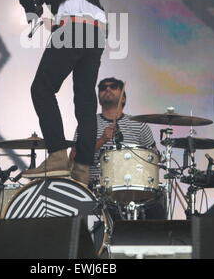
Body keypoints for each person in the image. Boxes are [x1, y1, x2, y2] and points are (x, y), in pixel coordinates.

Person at [18, 0, 106, 186]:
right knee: (86, 102)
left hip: (74, 26)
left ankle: (57, 158)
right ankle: (83, 169)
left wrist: (31, 11)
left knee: (42, 89)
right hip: (98, 31)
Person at [70, 77, 166, 219]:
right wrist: (102, 140)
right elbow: (73, 158)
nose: (107, 89)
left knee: (157, 209)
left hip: (136, 189)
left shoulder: (139, 125)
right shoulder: (87, 124)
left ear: (123, 99)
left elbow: (154, 158)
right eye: (103, 87)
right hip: (97, 189)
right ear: (98, 97)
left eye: (113, 86)